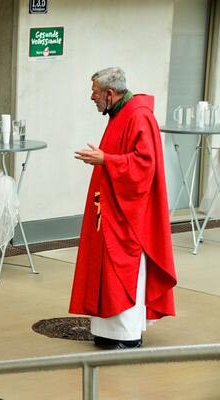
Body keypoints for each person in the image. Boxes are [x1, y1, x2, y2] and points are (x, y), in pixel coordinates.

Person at [70, 67, 177, 349]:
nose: (91, 97)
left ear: (109, 93)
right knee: (107, 271)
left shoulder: (139, 115)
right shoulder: (120, 113)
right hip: (111, 210)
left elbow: (145, 165)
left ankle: (127, 335)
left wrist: (106, 160)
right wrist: (105, 159)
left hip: (129, 216)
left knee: (123, 271)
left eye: (94, 92)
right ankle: (107, 331)